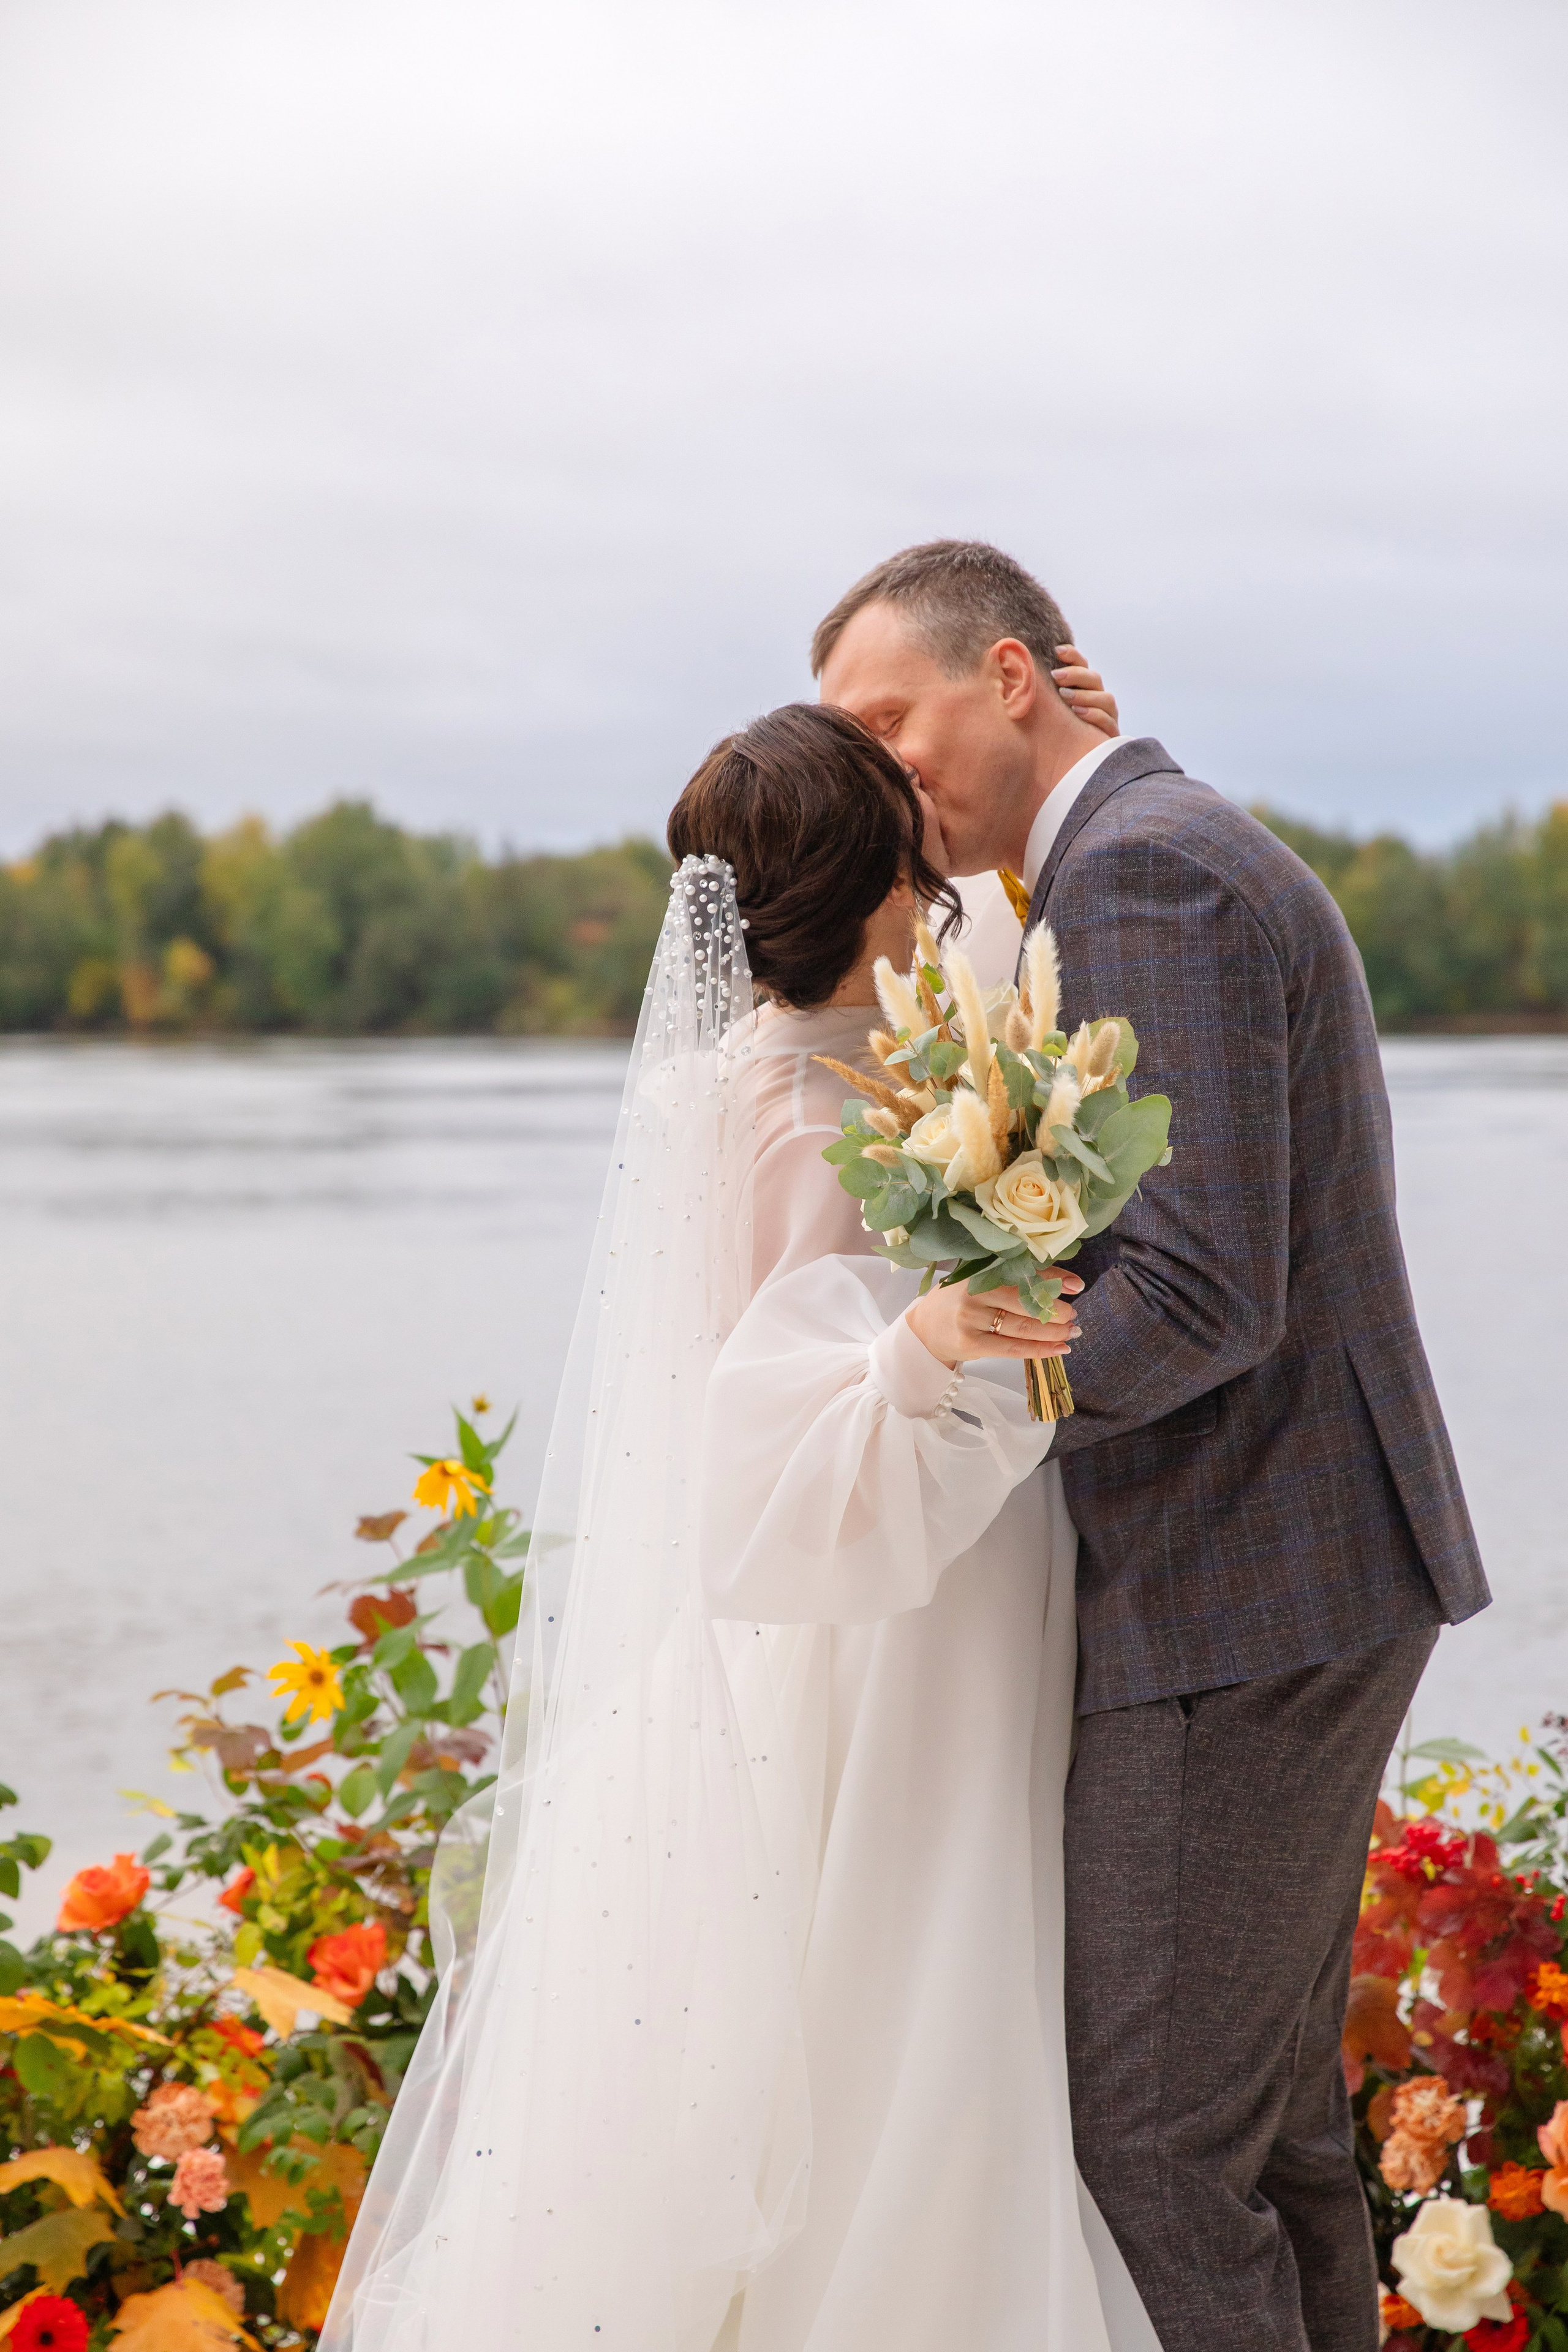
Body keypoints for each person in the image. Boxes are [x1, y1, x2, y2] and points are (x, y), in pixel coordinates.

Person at [320, 696, 1162, 2352]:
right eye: (912, 861)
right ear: (857, 887)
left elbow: (993, 947)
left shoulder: (853, 1046)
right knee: (905, 2011)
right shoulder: (787, 1108)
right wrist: (923, 1348)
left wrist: (1068, 740)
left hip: (928, 1572)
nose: (942, 888)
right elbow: (757, 1442)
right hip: (882, 1619)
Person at [812, 539, 1490, 2352]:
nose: (885, 770)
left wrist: (949, 1415)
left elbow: (1197, 1294)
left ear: (1015, 674)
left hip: (1236, 1589)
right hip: (1299, 1567)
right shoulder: (1132, 851)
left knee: (1152, 2146)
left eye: (896, 719)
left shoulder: (1147, 879)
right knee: (1264, 2145)